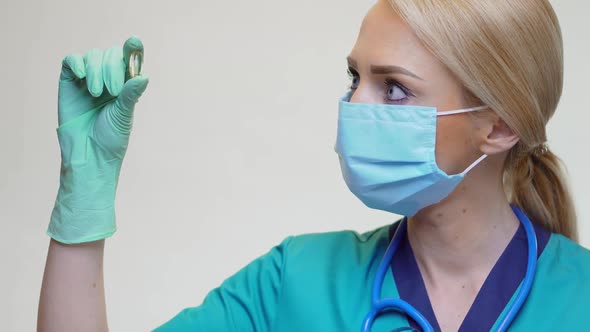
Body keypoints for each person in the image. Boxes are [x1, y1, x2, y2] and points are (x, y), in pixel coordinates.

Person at [37, 0, 590, 331]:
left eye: (395, 89)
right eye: (356, 78)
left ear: (497, 127)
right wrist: (83, 196)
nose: (355, 107)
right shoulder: (294, 282)